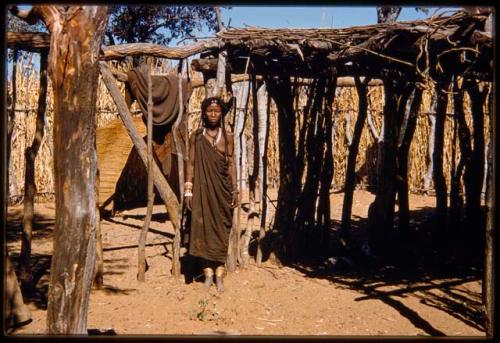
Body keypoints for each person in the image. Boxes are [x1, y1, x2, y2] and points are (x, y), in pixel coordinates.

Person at [184, 96, 238, 292]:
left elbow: (231, 164)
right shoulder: (196, 136)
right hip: (202, 190)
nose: (214, 114)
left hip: (222, 191)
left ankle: (220, 273)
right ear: (204, 113)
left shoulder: (227, 136)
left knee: (221, 229)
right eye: (210, 111)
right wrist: (188, 190)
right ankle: (207, 273)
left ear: (222, 113)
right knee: (203, 228)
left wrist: (234, 189)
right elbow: (190, 163)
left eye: (217, 111)